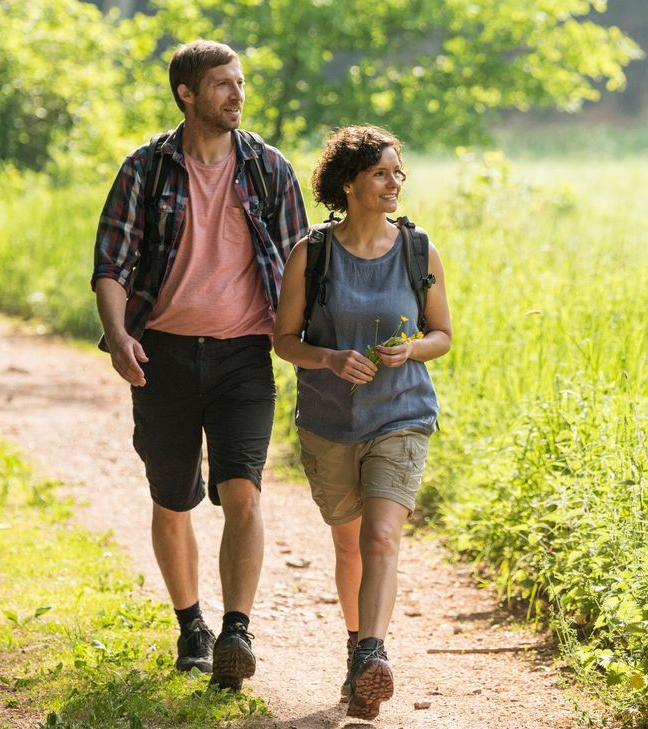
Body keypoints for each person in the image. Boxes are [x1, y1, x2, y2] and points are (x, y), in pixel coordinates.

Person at [91, 39, 308, 691]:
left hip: (246, 353)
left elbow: (303, 262)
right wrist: (118, 333)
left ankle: (236, 629)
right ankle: (192, 624)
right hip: (164, 353)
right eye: (222, 83)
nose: (236, 93)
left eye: (240, 82)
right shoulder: (147, 169)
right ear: (187, 93)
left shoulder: (269, 168)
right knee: (173, 496)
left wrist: (313, 343)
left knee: (243, 488)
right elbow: (112, 264)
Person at [273, 125, 452, 719]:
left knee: (381, 537)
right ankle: (357, 655)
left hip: (402, 413)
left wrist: (414, 351)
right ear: (348, 183)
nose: (394, 182)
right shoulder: (312, 253)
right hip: (329, 421)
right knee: (349, 543)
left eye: (398, 172)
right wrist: (327, 357)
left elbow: (442, 335)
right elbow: (284, 340)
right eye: (381, 172)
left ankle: (374, 651)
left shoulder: (418, 250)